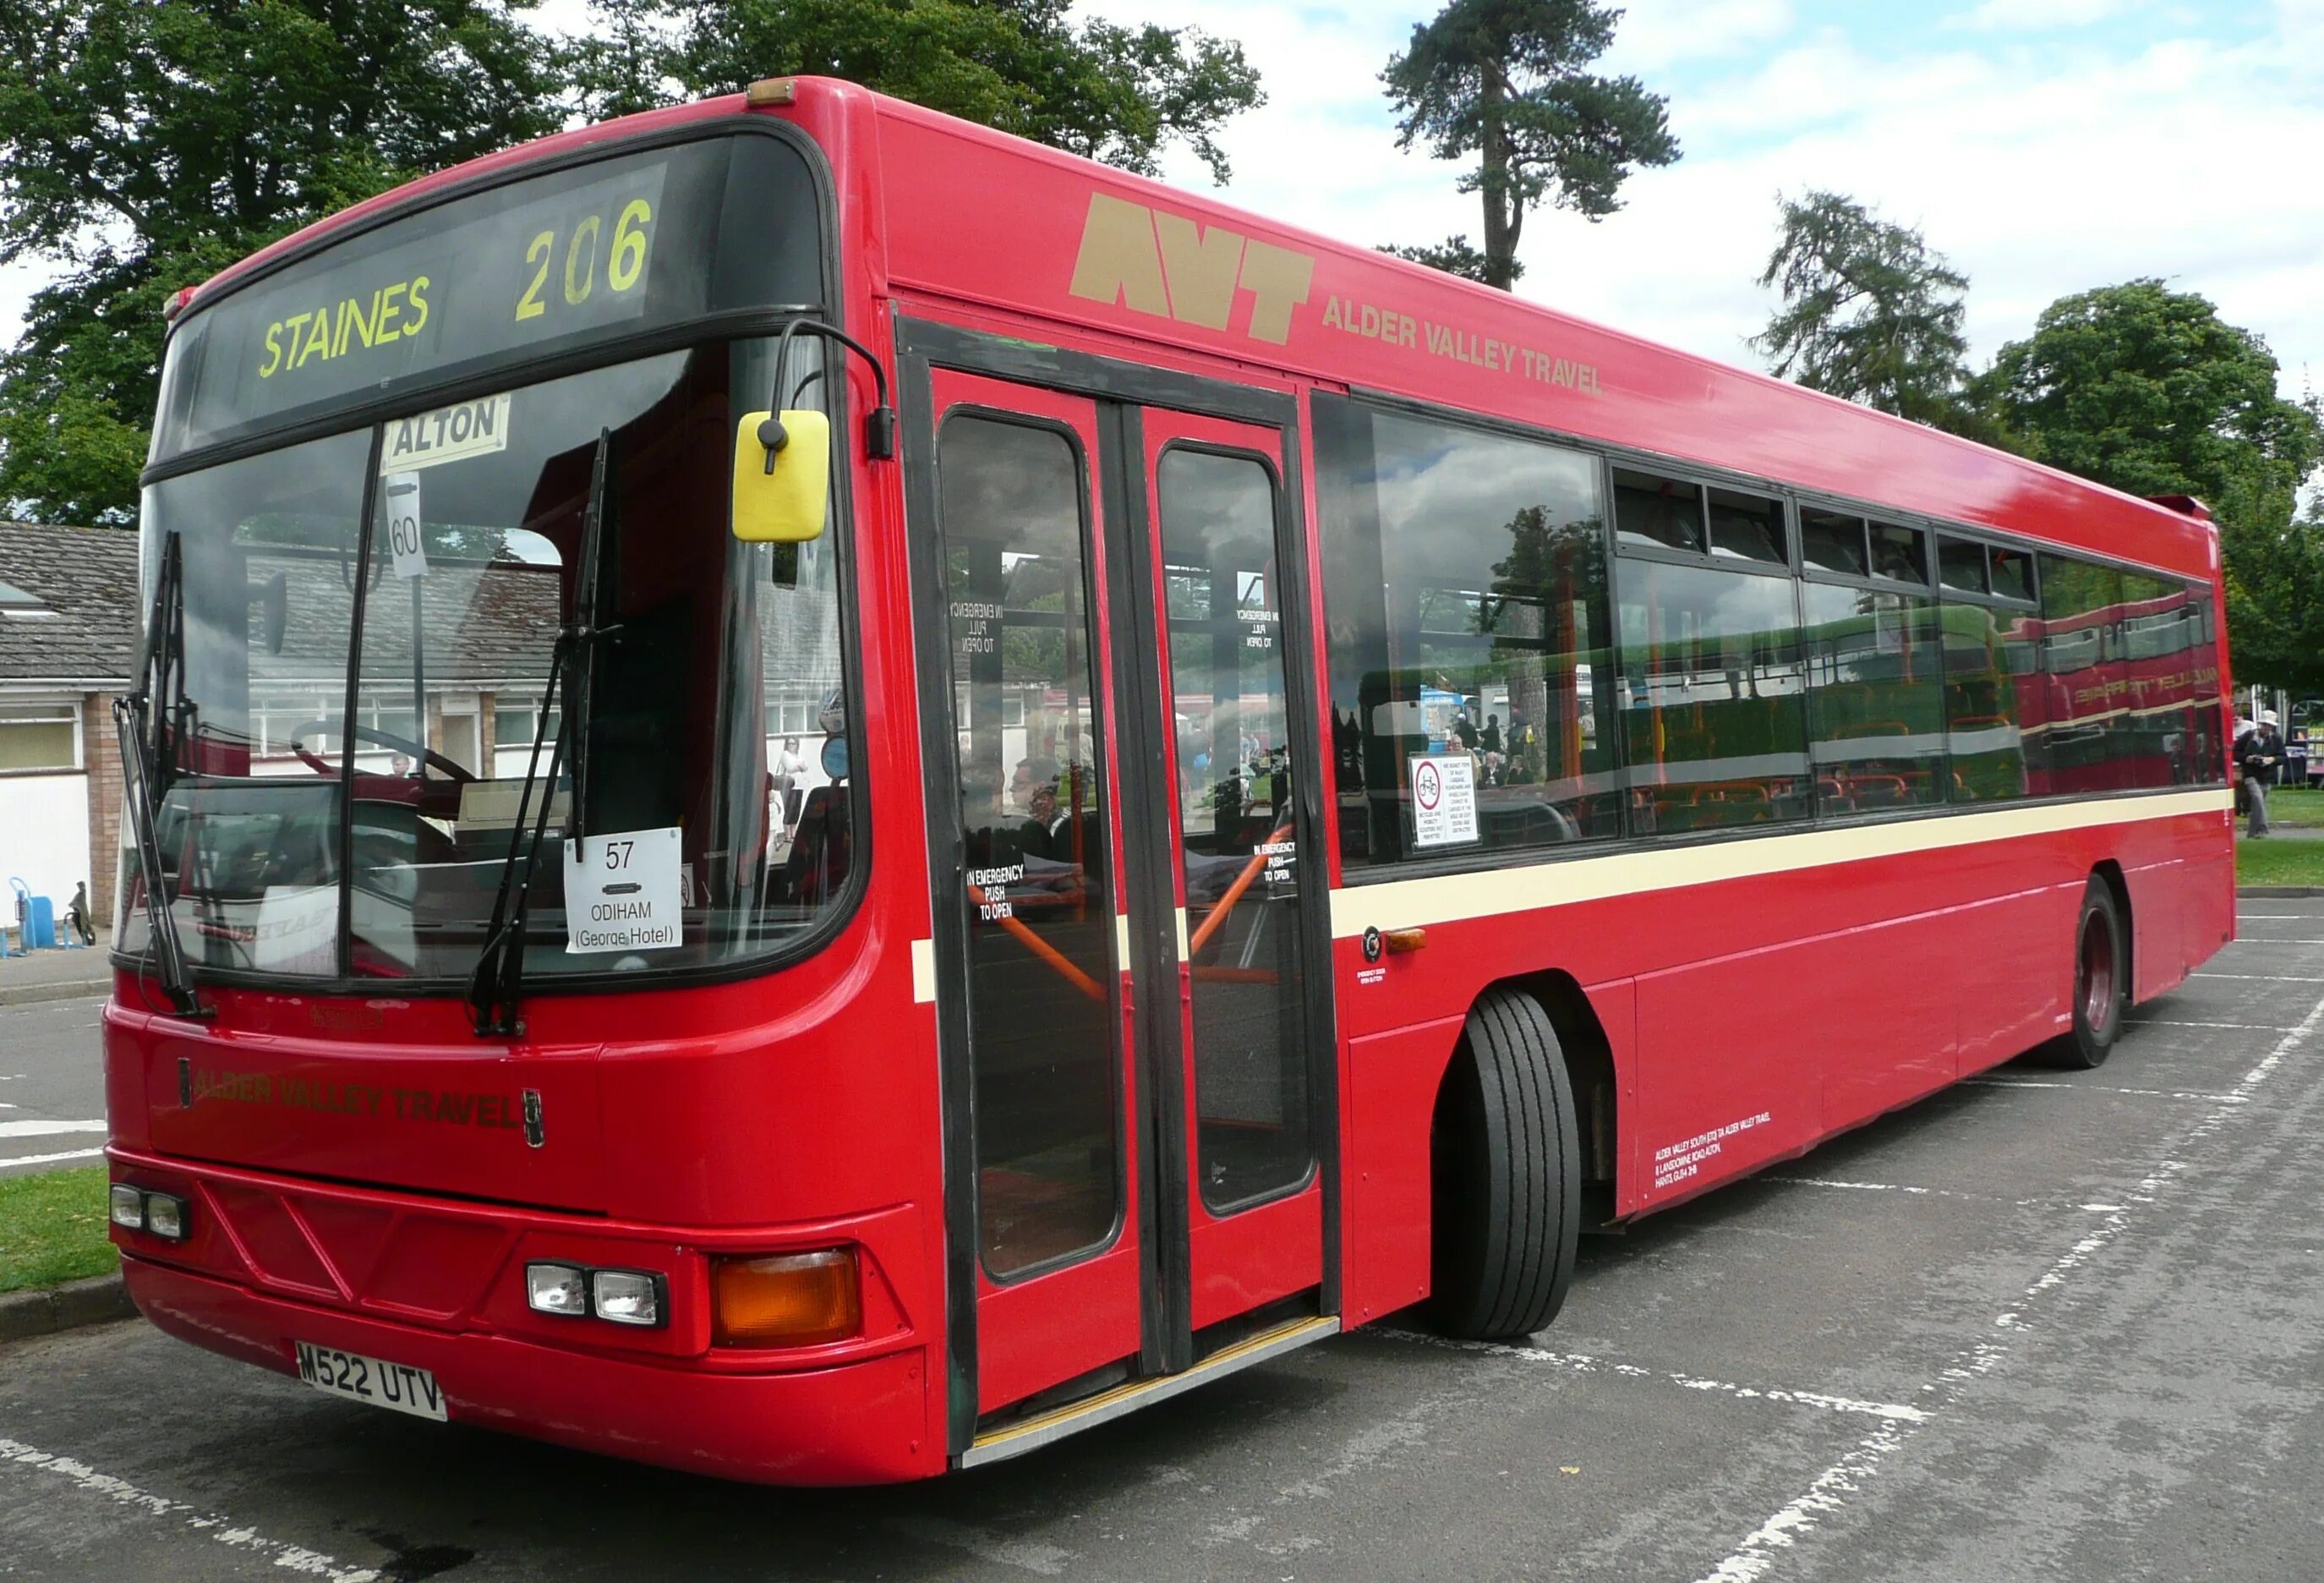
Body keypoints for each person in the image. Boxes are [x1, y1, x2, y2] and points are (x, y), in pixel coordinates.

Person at [2236, 710, 2285, 837]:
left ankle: (2252, 834)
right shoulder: (2248, 736)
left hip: (2267, 776)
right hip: (2250, 774)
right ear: (2260, 724)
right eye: (2264, 724)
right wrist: (2248, 758)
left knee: (2258, 805)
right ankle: (2263, 828)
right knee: (2257, 798)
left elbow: (2283, 757)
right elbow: (2235, 753)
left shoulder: (2276, 739)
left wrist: (2271, 760)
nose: (2266, 728)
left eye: (2269, 725)